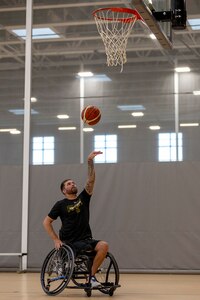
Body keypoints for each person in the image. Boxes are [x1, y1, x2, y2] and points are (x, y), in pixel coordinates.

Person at [43, 150, 108, 288]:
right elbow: (46, 222)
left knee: (104, 245)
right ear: (63, 190)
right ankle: (68, 266)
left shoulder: (83, 198)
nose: (72, 184)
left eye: (73, 182)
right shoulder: (60, 204)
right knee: (86, 248)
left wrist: (90, 162)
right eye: (68, 184)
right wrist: (55, 239)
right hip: (69, 241)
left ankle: (91, 277)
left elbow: (91, 180)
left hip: (85, 238)